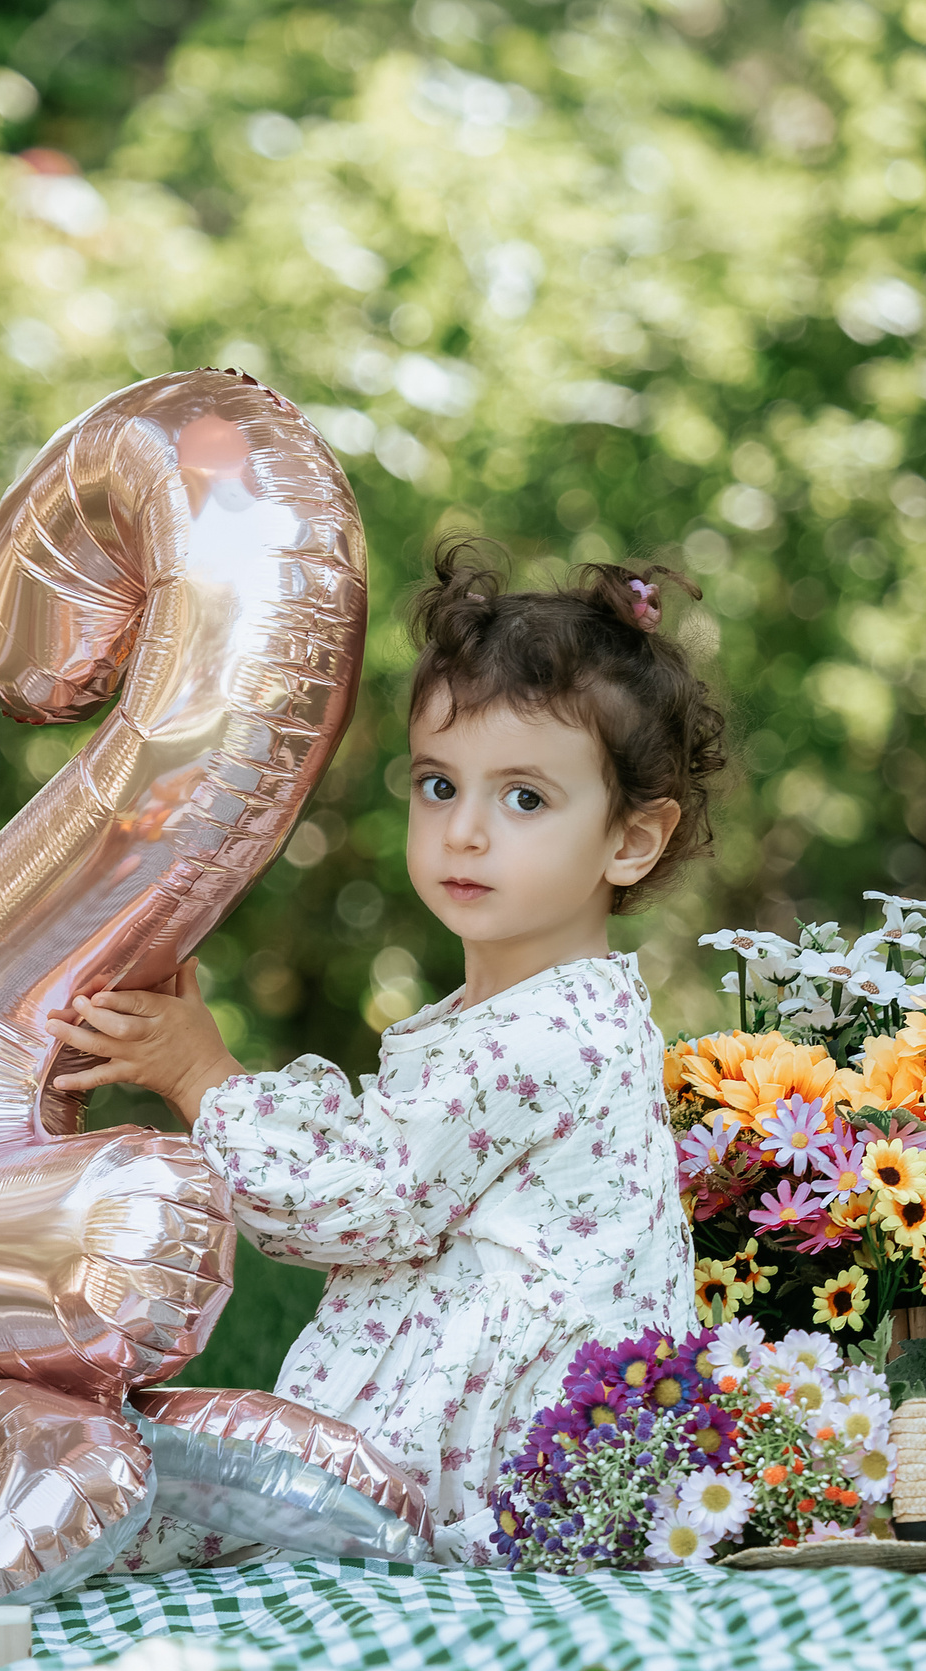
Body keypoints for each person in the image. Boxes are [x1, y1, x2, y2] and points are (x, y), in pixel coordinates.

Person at [47, 542, 728, 1565]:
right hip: (526, 1448)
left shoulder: (543, 1036)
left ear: (630, 841)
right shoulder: (533, 1011)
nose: (464, 832)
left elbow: (365, 1197)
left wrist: (204, 1080)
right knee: (156, 1494)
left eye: (525, 799)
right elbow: (394, 1157)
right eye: (438, 784)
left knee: (165, 1501)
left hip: (509, 1474)